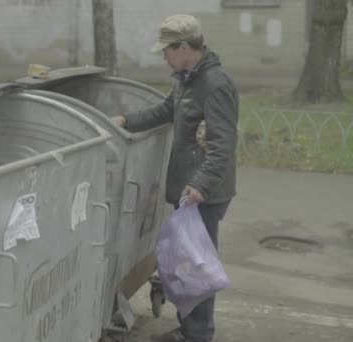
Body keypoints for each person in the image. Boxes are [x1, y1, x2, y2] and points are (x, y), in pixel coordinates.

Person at [112, 14, 239, 342]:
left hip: (204, 193)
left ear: (185, 47)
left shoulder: (215, 84)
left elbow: (223, 145)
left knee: (198, 265)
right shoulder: (186, 78)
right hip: (189, 189)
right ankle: (190, 329)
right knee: (188, 261)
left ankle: (198, 335)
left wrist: (200, 184)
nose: (163, 57)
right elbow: (166, 111)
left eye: (166, 50)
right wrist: (126, 120)